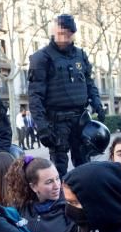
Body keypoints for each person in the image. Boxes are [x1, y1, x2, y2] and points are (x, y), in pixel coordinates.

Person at [28, 14, 105, 177]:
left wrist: (97, 103)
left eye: (68, 35)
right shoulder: (42, 58)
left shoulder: (81, 55)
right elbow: (35, 96)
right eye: (61, 34)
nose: (64, 38)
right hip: (57, 121)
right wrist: (42, 127)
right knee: (58, 169)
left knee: (84, 164)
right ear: (53, 31)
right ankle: (60, 200)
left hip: (81, 119)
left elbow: (89, 83)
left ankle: (84, 198)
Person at [5, 155, 70, 232]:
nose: (57, 186)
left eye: (57, 178)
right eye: (49, 182)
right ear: (33, 187)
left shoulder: (68, 208)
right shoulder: (20, 207)